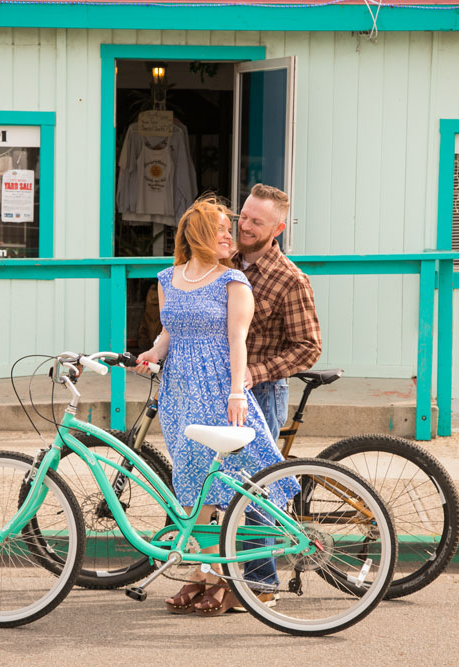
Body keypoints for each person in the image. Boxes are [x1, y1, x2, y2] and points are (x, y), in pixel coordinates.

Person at [137, 195, 299, 616]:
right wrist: (152, 353)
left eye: (233, 227)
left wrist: (234, 393)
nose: (231, 234)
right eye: (222, 228)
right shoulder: (167, 277)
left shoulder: (232, 281)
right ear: (198, 235)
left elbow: (236, 342)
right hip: (178, 392)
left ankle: (219, 575)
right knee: (193, 488)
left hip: (216, 388)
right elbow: (169, 332)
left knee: (230, 485)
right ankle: (205, 571)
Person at [231, 183, 323, 604]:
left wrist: (256, 370)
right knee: (220, 485)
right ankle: (220, 578)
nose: (244, 226)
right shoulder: (223, 260)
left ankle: (262, 585)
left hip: (262, 392)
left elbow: (309, 346)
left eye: (256, 222)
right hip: (221, 388)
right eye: (243, 216)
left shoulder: (290, 279)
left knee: (252, 488)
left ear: (279, 228)